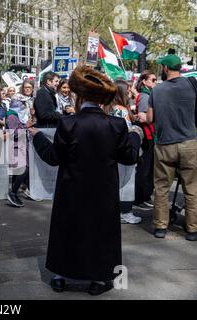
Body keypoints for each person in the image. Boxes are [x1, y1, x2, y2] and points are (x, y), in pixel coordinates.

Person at [29, 66, 141, 295]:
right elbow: (129, 157)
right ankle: (98, 279)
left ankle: (60, 276)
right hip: (103, 191)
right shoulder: (116, 125)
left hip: (71, 189)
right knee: (100, 232)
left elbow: (53, 158)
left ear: (80, 96)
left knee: (67, 230)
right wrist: (134, 135)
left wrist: (38, 137)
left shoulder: (68, 123)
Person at [147, 54, 197, 241]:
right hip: (189, 143)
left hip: (165, 144)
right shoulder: (192, 85)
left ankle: (161, 227)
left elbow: (150, 118)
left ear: (166, 69)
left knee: (161, 188)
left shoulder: (157, 90)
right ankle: (192, 230)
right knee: (191, 188)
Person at [104, 80, 143, 224]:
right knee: (126, 182)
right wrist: (136, 130)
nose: (129, 93)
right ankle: (125, 212)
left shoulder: (109, 107)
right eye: (127, 91)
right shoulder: (121, 109)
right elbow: (125, 131)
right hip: (123, 150)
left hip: (112, 150)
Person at [6, 79, 35, 207]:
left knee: (22, 170)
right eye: (22, 103)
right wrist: (26, 126)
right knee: (23, 170)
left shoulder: (18, 115)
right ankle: (12, 192)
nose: (24, 105)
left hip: (23, 145)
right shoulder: (12, 116)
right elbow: (14, 133)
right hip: (17, 147)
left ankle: (14, 193)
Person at [133, 70, 157, 210]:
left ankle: (145, 196)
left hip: (150, 135)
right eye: (152, 80)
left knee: (148, 169)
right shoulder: (144, 96)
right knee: (144, 169)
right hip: (147, 136)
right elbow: (142, 116)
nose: (155, 82)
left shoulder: (148, 95)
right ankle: (139, 198)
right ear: (145, 82)